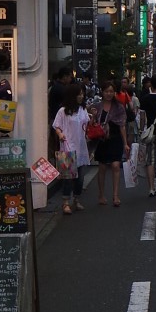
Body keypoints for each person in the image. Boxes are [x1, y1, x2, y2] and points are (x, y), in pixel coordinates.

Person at [52, 83, 91, 214]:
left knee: (79, 178)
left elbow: (87, 124)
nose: (81, 96)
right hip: (67, 146)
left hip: (80, 145)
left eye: (82, 94)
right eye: (79, 94)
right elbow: (56, 126)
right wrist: (60, 134)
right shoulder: (63, 111)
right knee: (68, 177)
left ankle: (77, 199)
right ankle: (65, 203)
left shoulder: (82, 110)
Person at [91, 81, 130, 207]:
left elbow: (122, 126)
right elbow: (91, 124)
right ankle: (101, 195)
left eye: (111, 91)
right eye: (106, 91)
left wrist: (125, 143)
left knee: (115, 165)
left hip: (115, 138)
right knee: (102, 167)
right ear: (102, 92)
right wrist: (93, 116)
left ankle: (115, 195)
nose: (109, 94)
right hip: (102, 140)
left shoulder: (119, 107)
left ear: (114, 93)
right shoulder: (96, 106)